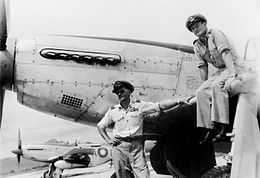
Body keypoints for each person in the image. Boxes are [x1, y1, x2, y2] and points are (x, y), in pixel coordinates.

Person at [97, 80, 186, 178]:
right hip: (120, 147)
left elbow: (159, 106)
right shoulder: (113, 110)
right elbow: (100, 126)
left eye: (121, 91)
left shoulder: (139, 106)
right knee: (121, 175)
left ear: (129, 92)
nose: (119, 94)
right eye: (117, 92)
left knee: (143, 174)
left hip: (136, 146)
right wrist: (109, 140)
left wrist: (177, 101)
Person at [185, 14, 248, 143]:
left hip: (233, 65)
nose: (195, 29)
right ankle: (206, 127)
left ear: (204, 23)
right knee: (200, 92)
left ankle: (221, 126)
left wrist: (232, 73)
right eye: (192, 29)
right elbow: (203, 67)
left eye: (197, 25)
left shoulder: (215, 34)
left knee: (217, 86)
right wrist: (204, 84)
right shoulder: (197, 45)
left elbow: (225, 53)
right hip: (220, 70)